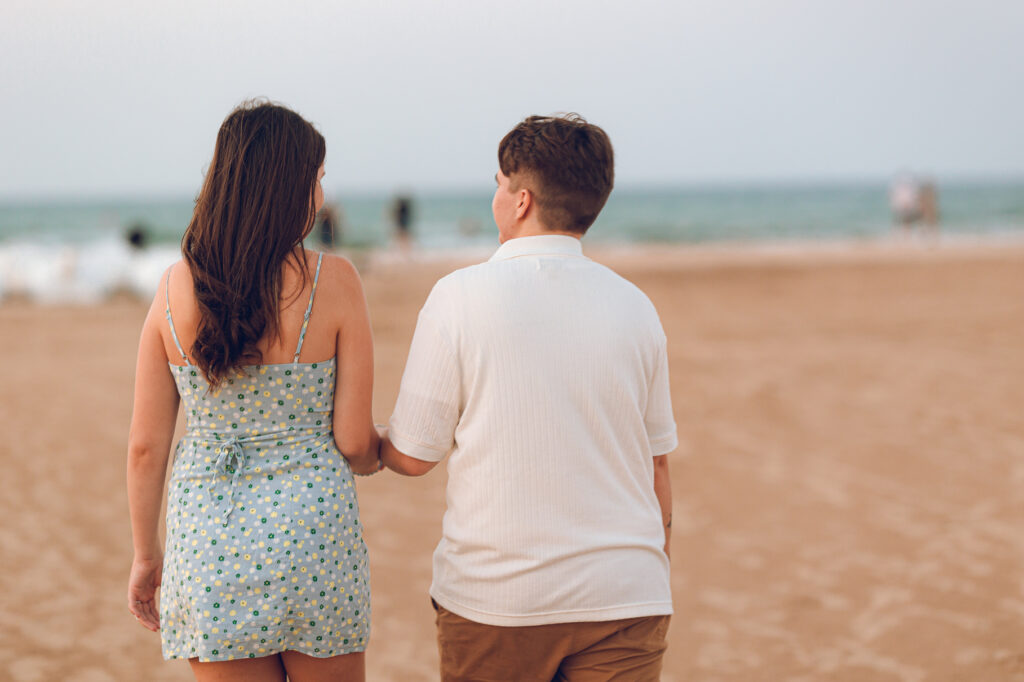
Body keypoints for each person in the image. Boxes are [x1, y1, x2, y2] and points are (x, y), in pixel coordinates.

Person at [379, 114, 677, 680]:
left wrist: (360, 440)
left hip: (500, 598)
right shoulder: (636, 306)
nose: (495, 196)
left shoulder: (458, 296)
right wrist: (651, 563)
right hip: (628, 594)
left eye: (498, 184)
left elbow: (414, 455)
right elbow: (657, 461)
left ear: (521, 200)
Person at [126, 101, 382, 682]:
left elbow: (145, 448)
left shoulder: (173, 289)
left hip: (209, 541)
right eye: (317, 178)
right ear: (288, 187)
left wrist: (146, 554)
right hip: (315, 539)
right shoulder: (335, 281)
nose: (322, 193)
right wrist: (381, 452)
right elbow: (353, 441)